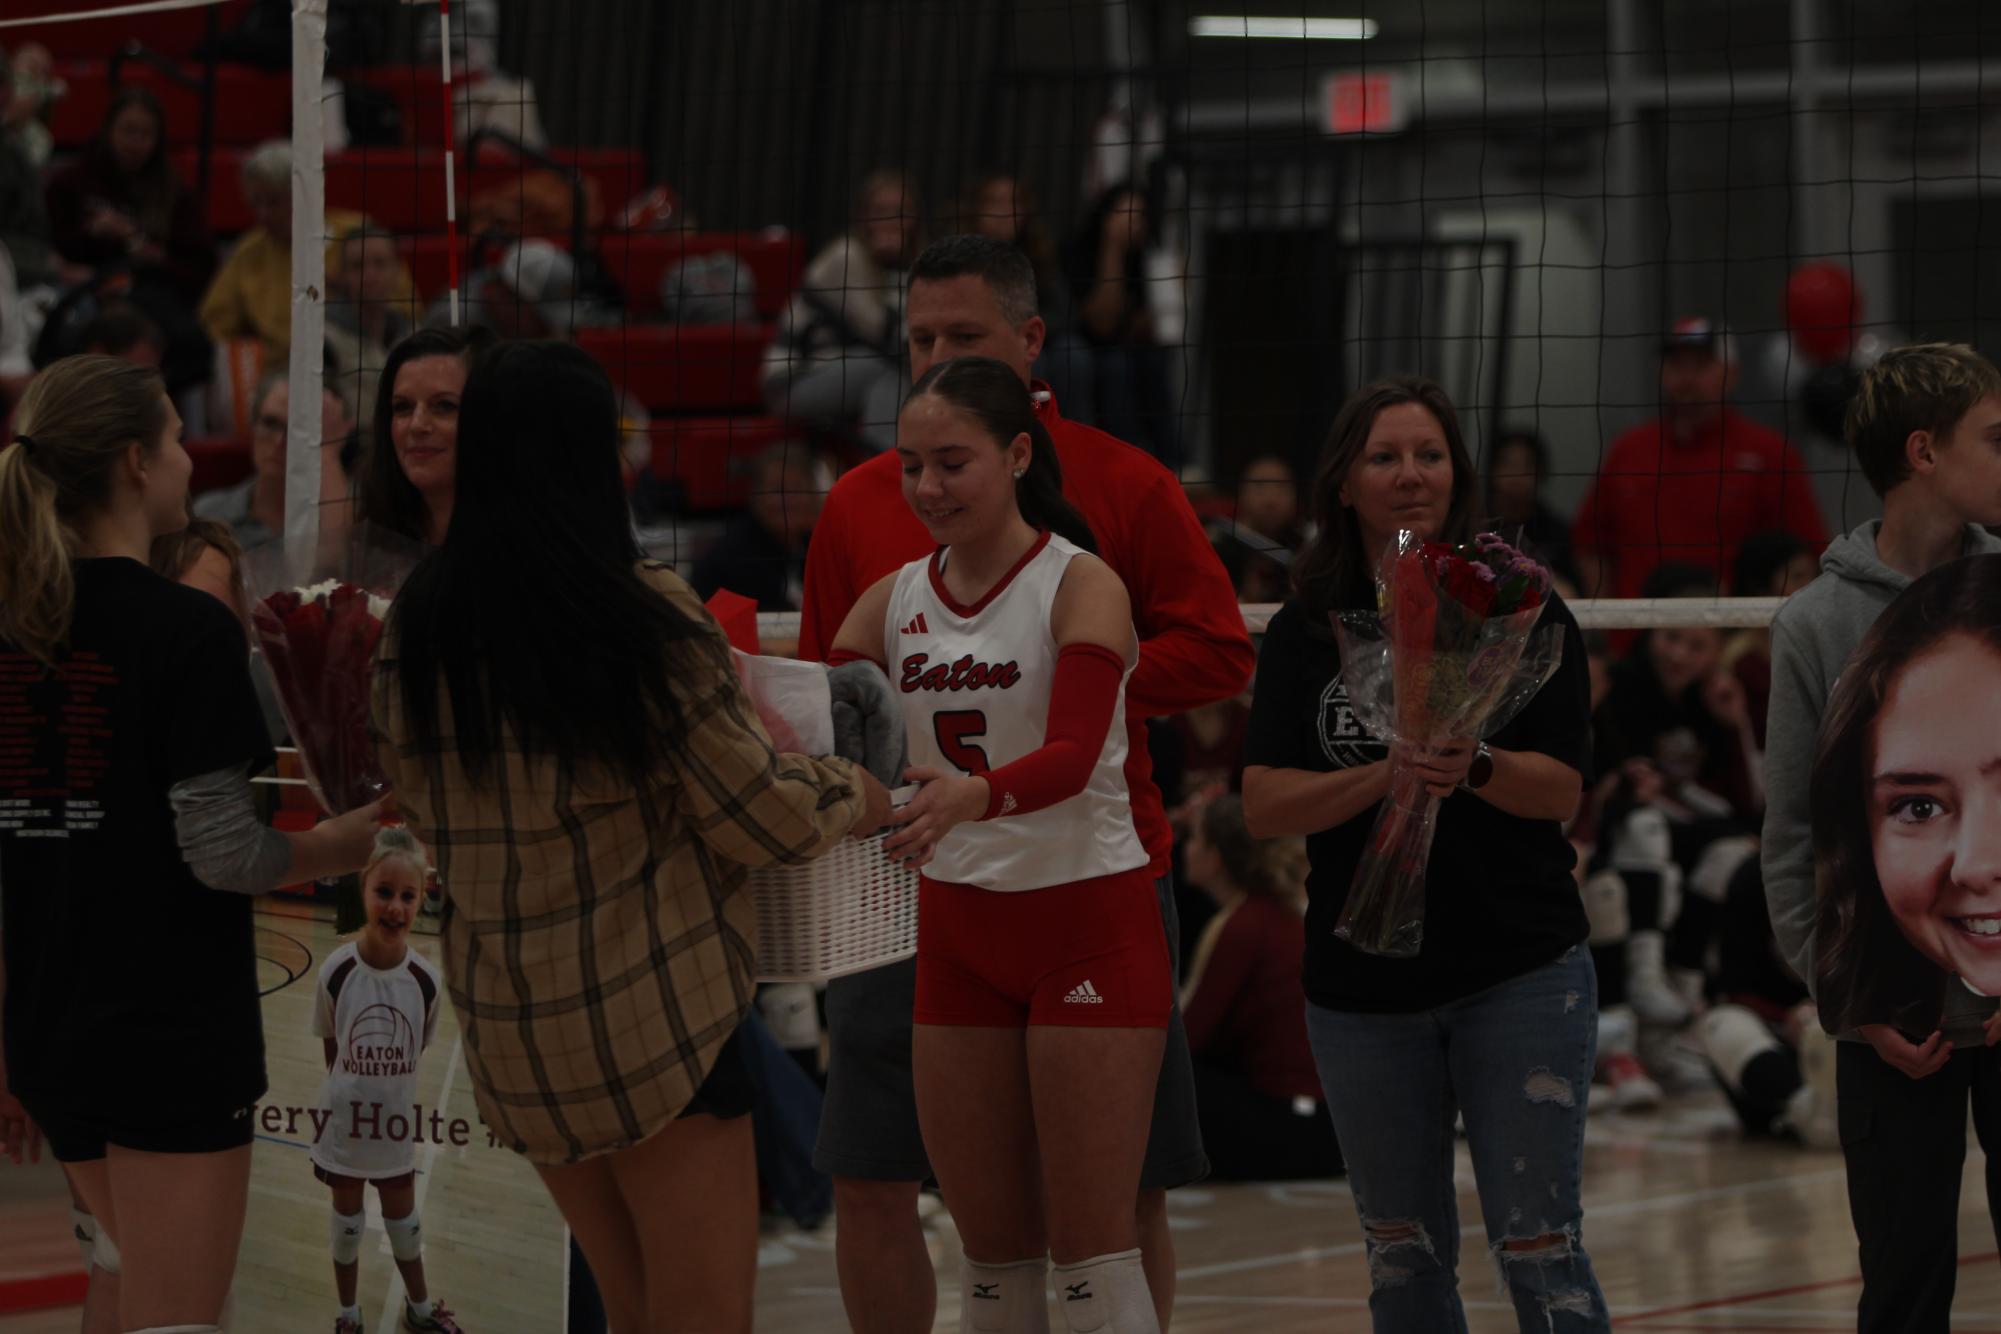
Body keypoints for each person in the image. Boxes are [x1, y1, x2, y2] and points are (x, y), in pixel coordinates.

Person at [372, 339, 891, 1334]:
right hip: (660, 1023)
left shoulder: (414, 625)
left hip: (522, 1036)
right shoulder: (636, 611)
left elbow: (419, 814)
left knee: (632, 1309)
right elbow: (759, 814)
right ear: (587, 458)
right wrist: (857, 788)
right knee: (699, 1317)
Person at [797, 234, 1253, 1334]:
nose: (926, 483)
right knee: (955, 1232)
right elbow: (822, 708)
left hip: (1088, 889)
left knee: (1102, 1228)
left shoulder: (1104, 522)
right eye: (920, 340)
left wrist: (1023, 744)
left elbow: (1210, 661)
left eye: (964, 337)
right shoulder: (876, 537)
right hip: (928, 899)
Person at [0, 355, 382, 1334]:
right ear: (135, 462)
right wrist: (345, 841)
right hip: (166, 1031)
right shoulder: (183, 629)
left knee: (128, 1284)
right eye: (174, 437)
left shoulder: (17, 625)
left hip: (52, 1029)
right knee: (175, 1318)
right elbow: (224, 854)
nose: (184, 458)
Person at [1241, 377, 1608, 1331]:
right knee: (1401, 1258)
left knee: (1540, 1244)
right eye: (1385, 457)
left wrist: (1471, 761)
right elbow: (1263, 804)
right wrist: (1387, 774)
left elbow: (1563, 792)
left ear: (1457, 473)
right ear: (1344, 484)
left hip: (1518, 968)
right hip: (1361, 989)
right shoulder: (1301, 633)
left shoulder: (1519, 608)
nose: (1410, 475)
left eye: (1429, 455)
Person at [830, 355, 1166, 1334]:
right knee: (992, 1257)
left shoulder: (1081, 582)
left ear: (1019, 454)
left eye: (953, 463)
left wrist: (974, 793)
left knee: (1093, 1249)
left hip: (1087, 926)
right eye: (911, 466)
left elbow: (1071, 754)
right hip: (959, 940)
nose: (928, 488)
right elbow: (821, 717)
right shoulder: (891, 599)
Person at [1761, 342, 2001, 1331]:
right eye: (1997, 436)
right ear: (1925, 452)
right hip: (1890, 1016)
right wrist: (1847, 1004)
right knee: (1903, 1288)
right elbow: (1790, 838)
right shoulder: (1817, 623)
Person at [312, 827, 461, 1334]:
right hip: (345, 1127)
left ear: (422, 898)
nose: (395, 907)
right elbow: (332, 1047)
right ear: (363, 888)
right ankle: (347, 1315)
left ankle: (419, 1310)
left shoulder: (426, 981)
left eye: (407, 895)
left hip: (394, 1128)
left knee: (406, 1227)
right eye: (384, 892)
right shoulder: (335, 970)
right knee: (347, 1228)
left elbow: (415, 1048)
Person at [1572, 318, 1827, 602]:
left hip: (1732, 635)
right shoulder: (1628, 449)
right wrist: (1604, 621)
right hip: (1634, 636)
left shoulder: (1770, 454)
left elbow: (1807, 554)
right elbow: (1589, 545)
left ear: (1731, 373)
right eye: (1677, 365)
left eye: (1700, 365)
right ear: (1660, 373)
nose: (1687, 378)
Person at [1178, 795, 1340, 1182]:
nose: (1186, 849)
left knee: (1163, 1076)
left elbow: (1190, 1038)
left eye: (1195, 839)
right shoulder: (1273, 912)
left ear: (1216, 857)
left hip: (1294, 1130)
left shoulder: (1244, 924)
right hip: (1322, 1128)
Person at [761, 169, 922, 452]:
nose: (891, 219)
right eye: (881, 210)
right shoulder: (845, 257)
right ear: (864, 216)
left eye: (900, 211)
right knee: (886, 370)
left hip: (856, 373)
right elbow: (887, 335)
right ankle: (885, 468)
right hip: (793, 381)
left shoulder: (917, 264)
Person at [44, 87, 213, 306]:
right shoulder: (69, 183)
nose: (135, 142)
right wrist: (91, 233)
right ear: (108, 130)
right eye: (128, 131)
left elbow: (199, 267)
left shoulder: (175, 193)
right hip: (81, 290)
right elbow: (49, 247)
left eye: (145, 134)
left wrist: (133, 238)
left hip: (150, 295)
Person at [1060, 183, 1181, 466]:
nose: (1133, 222)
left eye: (1139, 215)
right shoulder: (1079, 251)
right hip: (1079, 349)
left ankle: (1171, 461)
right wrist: (1112, 249)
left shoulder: (1145, 256)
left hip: (1126, 349)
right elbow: (1101, 324)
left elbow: (1151, 328)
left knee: (1151, 363)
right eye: (1126, 213)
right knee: (1116, 367)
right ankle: (1119, 460)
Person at [194, 365, 357, 553]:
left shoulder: (353, 512)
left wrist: (328, 451)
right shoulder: (210, 516)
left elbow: (341, 566)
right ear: (253, 426)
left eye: (298, 430)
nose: (280, 441)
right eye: (270, 423)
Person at [356, 327, 492, 546]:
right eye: (403, 407)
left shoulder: (520, 542)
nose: (417, 425)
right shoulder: (372, 537)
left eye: (444, 405)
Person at [688, 441, 830, 614]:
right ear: (756, 495)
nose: (788, 501)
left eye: (797, 489)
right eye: (778, 491)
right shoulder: (737, 555)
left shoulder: (812, 546)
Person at [198, 141, 300, 363]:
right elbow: (215, 320)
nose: (263, 214)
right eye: (256, 203)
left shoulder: (346, 236)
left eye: (273, 202)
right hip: (269, 368)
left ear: (300, 194)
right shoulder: (249, 250)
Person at [1486, 428, 1578, 586]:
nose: (1516, 474)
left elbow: (1573, 591)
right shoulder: (1473, 524)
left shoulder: (1557, 532)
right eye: (1508, 464)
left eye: (1527, 466)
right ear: (1492, 470)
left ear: (1541, 473)